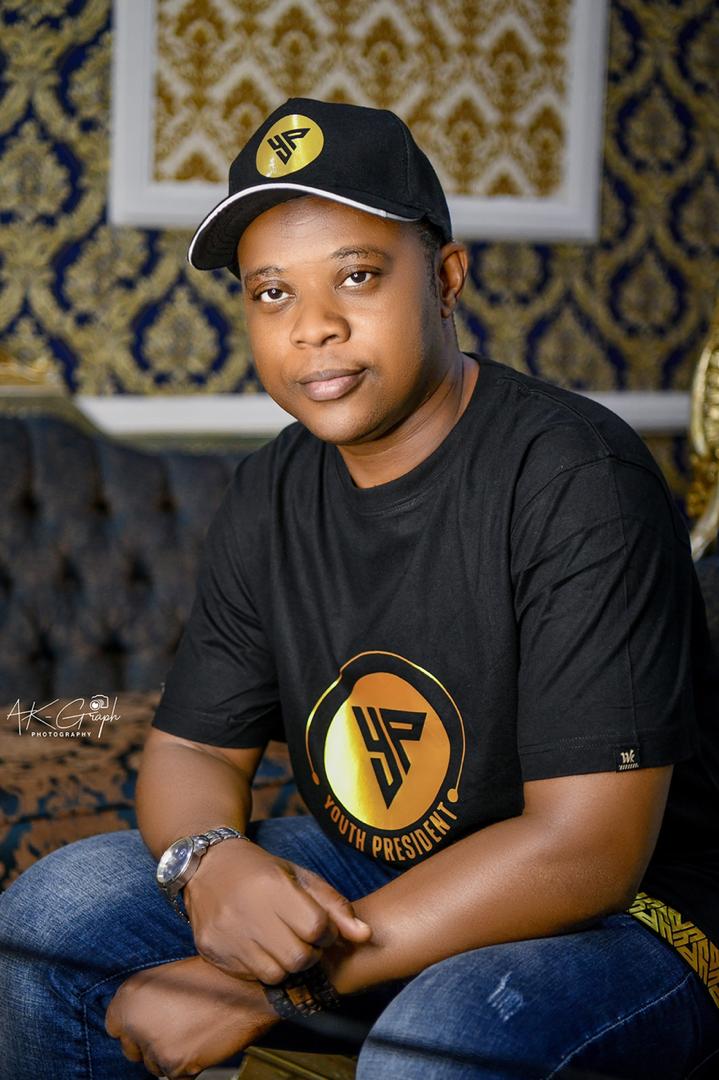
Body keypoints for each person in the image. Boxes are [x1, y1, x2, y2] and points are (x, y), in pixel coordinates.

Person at [1, 97, 718, 1080]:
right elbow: (191, 749)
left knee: (441, 1037)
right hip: (384, 866)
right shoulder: (271, 490)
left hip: (633, 913)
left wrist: (264, 986)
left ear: (446, 278)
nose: (314, 328)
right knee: (51, 920)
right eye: (271, 293)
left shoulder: (574, 476)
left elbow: (583, 851)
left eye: (356, 275)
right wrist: (208, 860)